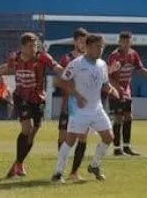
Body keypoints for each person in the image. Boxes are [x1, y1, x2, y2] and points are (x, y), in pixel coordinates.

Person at [0, 32, 62, 179]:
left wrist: (69, 73)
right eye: (30, 46)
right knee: (27, 128)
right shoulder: (14, 57)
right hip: (21, 97)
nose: (33, 49)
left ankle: (18, 164)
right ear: (22, 47)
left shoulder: (43, 57)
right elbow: (7, 68)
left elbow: (57, 68)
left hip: (38, 99)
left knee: (33, 133)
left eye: (35, 45)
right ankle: (18, 164)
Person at [51, 34, 119, 183]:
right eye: (97, 46)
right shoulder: (76, 63)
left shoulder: (102, 64)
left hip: (97, 109)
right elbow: (60, 81)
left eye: (102, 47)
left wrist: (112, 89)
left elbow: (105, 83)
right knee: (70, 140)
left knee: (109, 137)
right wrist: (77, 95)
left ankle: (94, 166)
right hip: (79, 110)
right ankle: (57, 173)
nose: (100, 50)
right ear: (88, 47)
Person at [107, 31, 147, 156]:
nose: (126, 44)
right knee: (118, 118)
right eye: (123, 42)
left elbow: (140, 69)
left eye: (128, 41)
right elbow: (108, 76)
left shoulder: (133, 54)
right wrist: (118, 88)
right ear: (119, 42)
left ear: (131, 42)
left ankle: (127, 147)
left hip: (126, 90)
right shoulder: (114, 56)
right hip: (115, 91)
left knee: (128, 116)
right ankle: (117, 148)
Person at [57, 28, 91, 181]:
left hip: (85, 106)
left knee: (82, 137)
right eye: (80, 41)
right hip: (68, 104)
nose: (83, 44)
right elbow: (60, 80)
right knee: (63, 137)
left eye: (85, 42)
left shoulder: (90, 60)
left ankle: (74, 172)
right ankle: (60, 170)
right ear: (74, 41)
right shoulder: (67, 59)